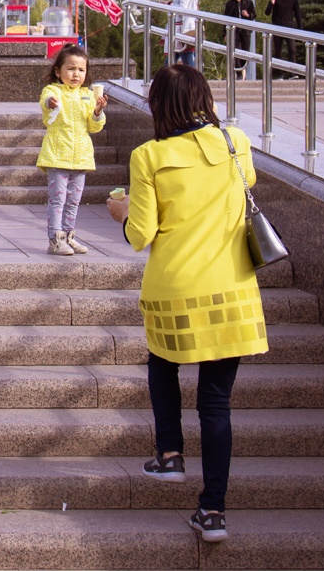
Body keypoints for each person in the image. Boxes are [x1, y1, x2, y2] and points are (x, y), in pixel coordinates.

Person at [107, 64, 268, 544]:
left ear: (158, 105)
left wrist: (120, 209)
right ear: (205, 99)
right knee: (216, 403)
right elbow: (248, 186)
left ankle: (170, 455)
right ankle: (213, 512)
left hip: (173, 288)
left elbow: (141, 234)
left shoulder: (149, 156)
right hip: (233, 289)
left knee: (163, 364)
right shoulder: (236, 142)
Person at [36, 44, 107, 256]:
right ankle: (55, 239)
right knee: (58, 200)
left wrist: (98, 111)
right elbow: (45, 102)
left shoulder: (87, 95)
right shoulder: (53, 90)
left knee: (74, 201)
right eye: (71, 68)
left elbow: (94, 126)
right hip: (57, 155)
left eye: (81, 70)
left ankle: (68, 235)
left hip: (81, 157)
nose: (76, 74)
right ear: (58, 71)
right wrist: (50, 103)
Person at [162, 0, 199, 68]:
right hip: (181, 29)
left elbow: (183, 7)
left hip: (184, 29)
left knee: (186, 59)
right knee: (173, 59)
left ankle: (194, 82)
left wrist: (169, 4)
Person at [266, 0, 303, 79]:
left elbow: (298, 15)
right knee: (278, 51)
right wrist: (271, 3)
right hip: (277, 28)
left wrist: (301, 30)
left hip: (289, 28)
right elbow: (267, 12)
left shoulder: (294, 0)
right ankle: (278, 74)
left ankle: (293, 73)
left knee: (292, 50)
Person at [221, 0, 255, 78]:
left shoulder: (248, 2)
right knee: (235, 52)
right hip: (234, 32)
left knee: (245, 53)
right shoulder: (230, 4)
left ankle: (243, 71)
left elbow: (253, 15)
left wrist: (247, 15)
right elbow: (225, 19)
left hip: (245, 32)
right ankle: (239, 74)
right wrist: (225, 34)